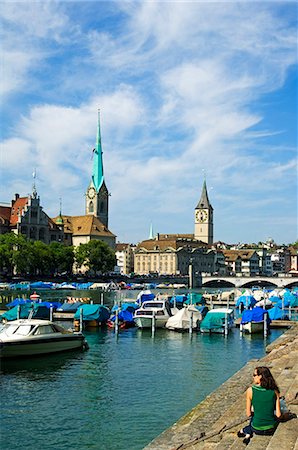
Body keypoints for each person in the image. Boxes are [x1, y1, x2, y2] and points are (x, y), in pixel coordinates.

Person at [238, 366, 281, 445]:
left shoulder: (250, 390)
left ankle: (246, 431)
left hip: (256, 429)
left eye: (254, 375)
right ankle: (246, 432)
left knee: (253, 419)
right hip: (271, 429)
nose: (253, 377)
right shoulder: (275, 391)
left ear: (260, 376)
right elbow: (278, 415)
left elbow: (248, 414)